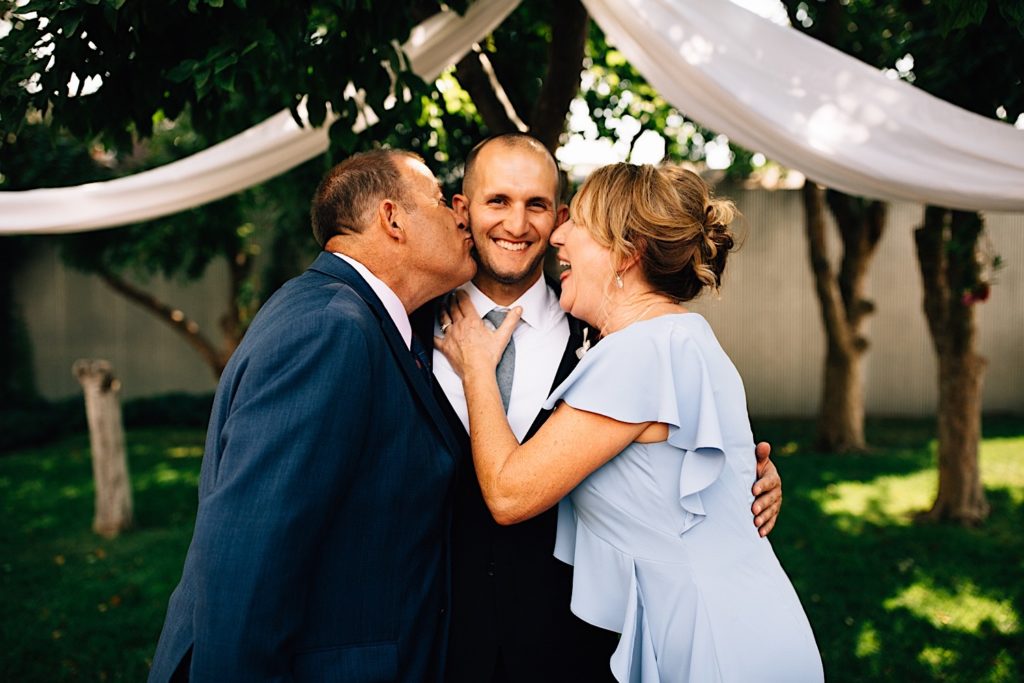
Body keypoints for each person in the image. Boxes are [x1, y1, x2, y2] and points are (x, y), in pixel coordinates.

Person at [436, 162, 824, 681]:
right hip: (733, 620)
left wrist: (478, 369)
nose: (558, 235)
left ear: (626, 250)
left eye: (580, 225)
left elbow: (509, 494)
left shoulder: (641, 352)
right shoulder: (679, 336)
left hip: (712, 639)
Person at [148, 149, 475, 682]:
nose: (460, 216)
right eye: (440, 200)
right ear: (392, 219)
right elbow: (246, 565)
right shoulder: (331, 328)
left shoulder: (365, 321)